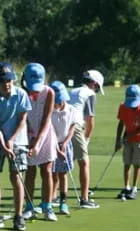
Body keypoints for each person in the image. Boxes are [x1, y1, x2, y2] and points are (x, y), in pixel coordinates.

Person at [0, 62, 31, 231]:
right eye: (3, 81)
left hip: (18, 141)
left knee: (16, 177)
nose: (7, 84)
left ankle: (18, 216)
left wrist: (11, 140)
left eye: (9, 80)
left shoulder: (21, 95)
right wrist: (3, 143)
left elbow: (22, 120)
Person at [20, 63, 57, 221]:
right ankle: (29, 206)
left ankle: (47, 207)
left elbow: (46, 119)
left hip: (45, 134)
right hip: (26, 134)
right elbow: (22, 117)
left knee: (46, 170)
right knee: (30, 171)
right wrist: (29, 136)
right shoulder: (21, 92)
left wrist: (37, 141)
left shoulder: (49, 92)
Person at [68, 70, 104, 208]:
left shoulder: (72, 91)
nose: (96, 90)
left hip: (63, 125)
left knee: (64, 162)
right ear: (94, 83)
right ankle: (84, 199)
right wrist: (87, 138)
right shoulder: (90, 94)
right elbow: (90, 119)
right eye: (97, 87)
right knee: (84, 162)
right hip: (76, 126)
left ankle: (53, 197)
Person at [114, 85, 140, 200]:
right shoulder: (123, 107)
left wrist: (130, 136)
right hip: (127, 138)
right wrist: (118, 140)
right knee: (127, 162)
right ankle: (127, 187)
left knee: (137, 163)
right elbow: (121, 124)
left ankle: (134, 188)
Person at [50, 81, 75, 215]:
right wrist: (57, 148)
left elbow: (72, 127)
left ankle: (63, 202)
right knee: (52, 174)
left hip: (65, 144)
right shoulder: (49, 111)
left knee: (63, 174)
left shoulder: (70, 109)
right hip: (51, 144)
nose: (57, 104)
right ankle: (50, 199)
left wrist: (65, 144)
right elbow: (49, 131)